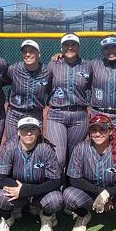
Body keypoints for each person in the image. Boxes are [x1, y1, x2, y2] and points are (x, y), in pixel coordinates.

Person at [0, 117, 63, 231]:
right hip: (16, 191)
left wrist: (27, 190)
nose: (29, 132)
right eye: (24, 129)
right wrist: (20, 190)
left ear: (39, 131)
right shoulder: (9, 146)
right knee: (0, 196)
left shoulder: (46, 149)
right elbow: (0, 179)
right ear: (18, 132)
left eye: (33, 129)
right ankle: (7, 218)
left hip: (39, 191)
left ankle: (46, 218)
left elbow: (56, 180)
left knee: (56, 200)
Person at [46, 33, 92, 171]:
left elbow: (92, 84)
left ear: (78, 47)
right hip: (57, 114)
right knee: (58, 157)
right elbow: (46, 85)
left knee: (73, 158)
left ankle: (68, 187)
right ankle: (54, 186)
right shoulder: (53, 64)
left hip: (79, 116)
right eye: (66, 45)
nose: (70, 47)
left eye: (73, 45)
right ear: (61, 47)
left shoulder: (87, 65)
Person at [89, 35, 116, 153]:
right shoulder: (93, 65)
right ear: (102, 50)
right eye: (107, 48)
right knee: (98, 151)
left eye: (114, 47)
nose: (111, 51)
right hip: (99, 113)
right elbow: (76, 64)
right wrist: (60, 55)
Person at [4, 39, 50, 139]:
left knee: (34, 146)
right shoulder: (13, 69)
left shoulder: (47, 71)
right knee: (12, 145)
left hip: (35, 114)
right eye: (25, 52)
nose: (27, 54)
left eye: (32, 51)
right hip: (14, 114)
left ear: (39, 54)